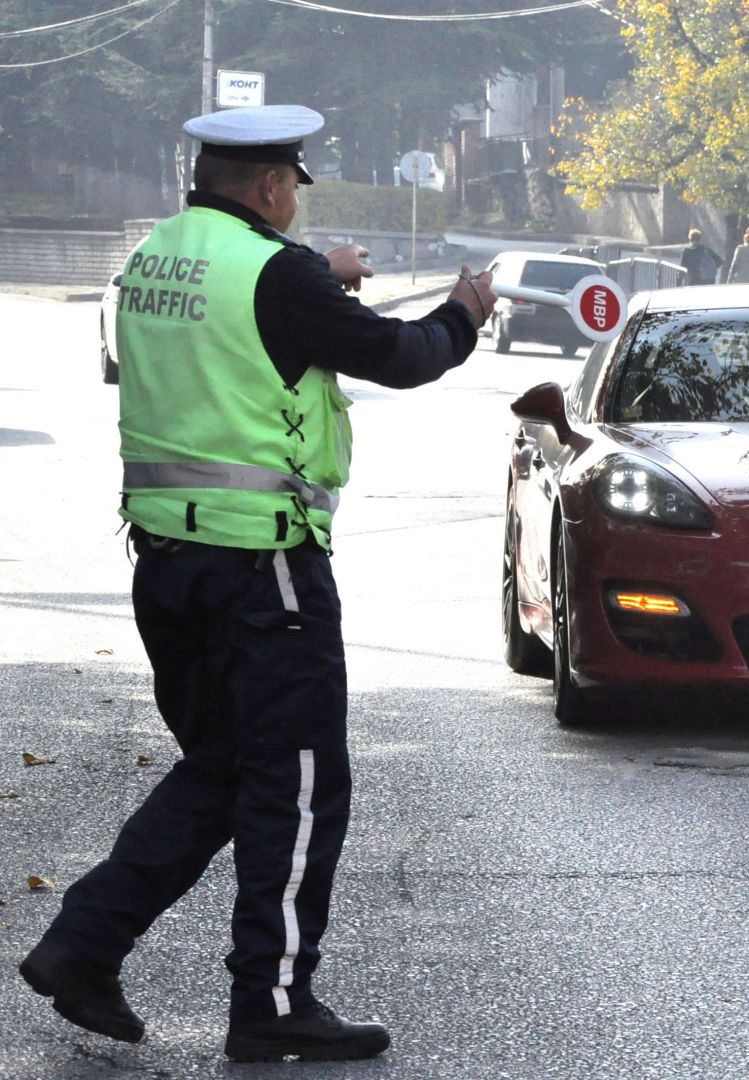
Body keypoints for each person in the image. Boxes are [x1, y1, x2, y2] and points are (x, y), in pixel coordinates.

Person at [16, 104, 496, 1063]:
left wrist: (324, 276)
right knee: (299, 786)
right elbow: (401, 358)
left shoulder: (156, 256)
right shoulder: (280, 274)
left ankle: (82, 945)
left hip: (167, 565)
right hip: (263, 568)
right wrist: (464, 315)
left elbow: (244, 321)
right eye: (293, 191)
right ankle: (273, 1004)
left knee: (226, 768)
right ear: (274, 187)